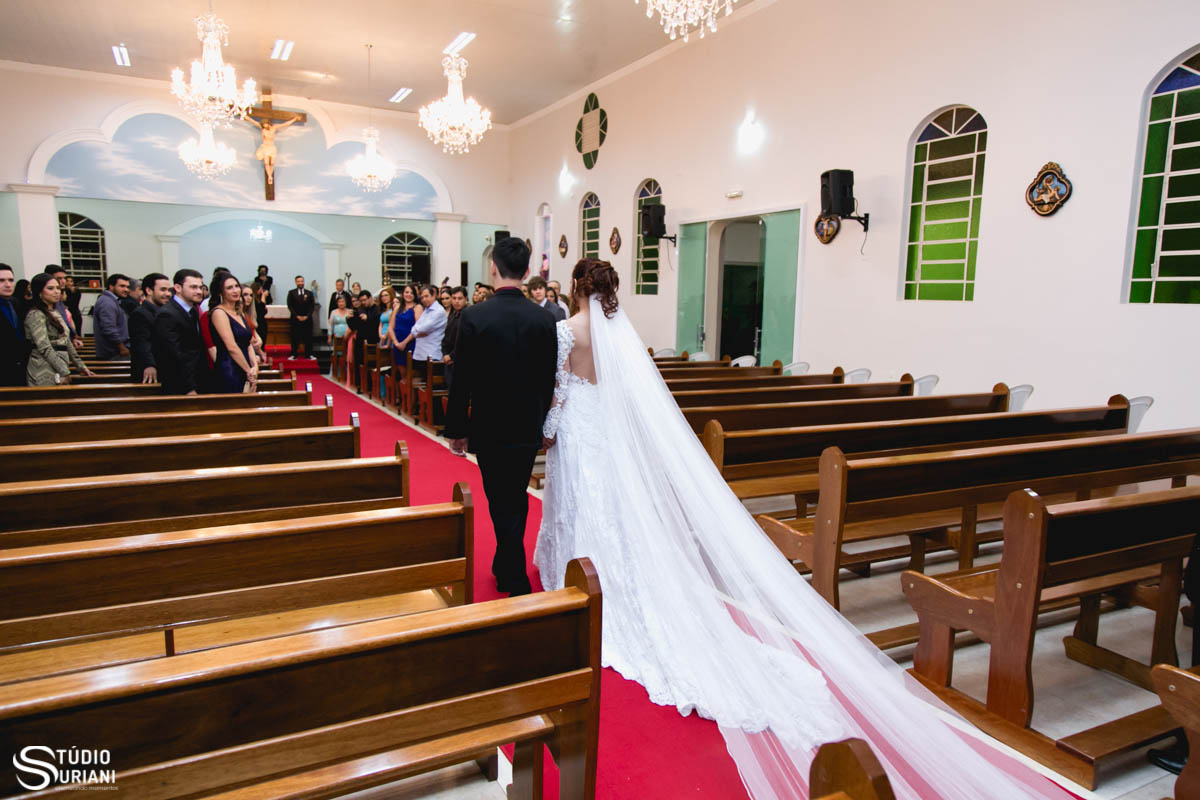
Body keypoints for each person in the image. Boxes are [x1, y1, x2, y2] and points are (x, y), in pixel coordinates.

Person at [532, 259, 1075, 800]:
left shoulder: (565, 330)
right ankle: (616, 583)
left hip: (581, 430)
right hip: (608, 433)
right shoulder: (619, 333)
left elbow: (558, 395)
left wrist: (549, 432)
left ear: (576, 287)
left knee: (581, 506)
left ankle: (585, 589)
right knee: (615, 515)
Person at [445, 237, 556, 597]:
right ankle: (505, 565)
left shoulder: (475, 316)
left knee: (499, 498)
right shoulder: (542, 317)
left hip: (489, 423)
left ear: (493, 267)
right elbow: (546, 377)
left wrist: (457, 429)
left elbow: (461, 379)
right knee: (515, 496)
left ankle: (515, 575)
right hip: (526, 423)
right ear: (527, 272)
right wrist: (543, 422)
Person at [25, 272, 92, 385]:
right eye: (50, 288)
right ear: (39, 292)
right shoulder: (36, 314)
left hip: (60, 364)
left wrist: (80, 366)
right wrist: (64, 371)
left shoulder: (55, 312)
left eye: (57, 288)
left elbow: (66, 341)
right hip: (43, 367)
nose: (56, 292)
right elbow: (44, 347)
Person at [153, 269, 206, 395]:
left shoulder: (192, 310)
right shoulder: (167, 314)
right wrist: (189, 387)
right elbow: (173, 355)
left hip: (196, 378)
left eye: (200, 287)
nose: (199, 291)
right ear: (177, 287)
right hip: (180, 385)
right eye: (193, 287)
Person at [209, 273, 258, 393]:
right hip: (229, 368)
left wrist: (255, 366)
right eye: (229, 288)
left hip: (245, 366)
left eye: (237, 286)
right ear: (221, 292)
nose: (235, 290)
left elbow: (248, 343)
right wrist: (248, 371)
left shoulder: (238, 312)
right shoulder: (219, 312)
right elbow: (231, 346)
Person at [130, 272, 170, 383]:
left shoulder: (163, 311)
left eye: (168, 290)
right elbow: (141, 342)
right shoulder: (140, 313)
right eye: (163, 290)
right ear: (149, 291)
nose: (168, 294)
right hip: (149, 372)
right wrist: (149, 365)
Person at [395, 284, 446, 364]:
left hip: (431, 353)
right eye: (422, 297)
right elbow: (414, 328)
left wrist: (415, 331)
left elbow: (423, 328)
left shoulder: (438, 311)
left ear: (433, 296)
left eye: (426, 296)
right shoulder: (426, 310)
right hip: (420, 353)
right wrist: (415, 331)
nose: (424, 299)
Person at [0, 264, 31, 386]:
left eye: (11, 280)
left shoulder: (15, 302)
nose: (8, 284)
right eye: (1, 280)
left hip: (19, 367)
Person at [92, 273, 131, 360]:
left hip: (115, 352)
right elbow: (108, 328)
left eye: (127, 287)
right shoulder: (107, 302)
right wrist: (122, 347)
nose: (126, 290)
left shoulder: (112, 301)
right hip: (113, 353)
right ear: (111, 286)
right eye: (122, 286)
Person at [44, 266, 82, 349]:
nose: (63, 281)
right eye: (59, 278)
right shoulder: (43, 304)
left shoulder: (59, 301)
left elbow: (65, 320)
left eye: (64, 278)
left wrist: (73, 337)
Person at [348, 289, 379, 391]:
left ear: (370, 298)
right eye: (361, 301)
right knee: (359, 363)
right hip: (360, 340)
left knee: (371, 364)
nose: (363, 303)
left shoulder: (377, 309)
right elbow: (354, 327)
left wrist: (367, 318)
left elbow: (376, 323)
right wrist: (349, 319)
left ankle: (371, 387)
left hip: (373, 340)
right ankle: (359, 385)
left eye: (365, 300)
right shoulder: (361, 309)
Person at [441, 285, 468, 390]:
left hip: (461, 360)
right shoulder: (452, 314)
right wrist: (445, 354)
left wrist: (451, 356)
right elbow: (446, 337)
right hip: (448, 359)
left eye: (460, 298)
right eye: (454, 298)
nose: (457, 301)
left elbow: (464, 340)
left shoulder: (468, 315)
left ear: (466, 299)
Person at [286, 275, 314, 357]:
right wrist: (297, 316)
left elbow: (312, 306)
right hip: (295, 319)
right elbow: (290, 306)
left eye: (302, 281)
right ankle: (294, 354)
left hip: (307, 319)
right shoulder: (291, 293)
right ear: (296, 282)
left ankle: (309, 354)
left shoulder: (309, 293)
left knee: (308, 337)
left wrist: (307, 316)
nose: (300, 283)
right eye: (298, 281)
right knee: (295, 337)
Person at [390, 284, 419, 363]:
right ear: (402, 294)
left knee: (410, 370)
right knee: (401, 372)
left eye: (411, 293)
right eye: (406, 292)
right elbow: (391, 327)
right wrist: (396, 343)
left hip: (411, 342)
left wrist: (404, 343)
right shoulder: (397, 307)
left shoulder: (417, 307)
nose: (409, 294)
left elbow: (418, 328)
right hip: (397, 342)